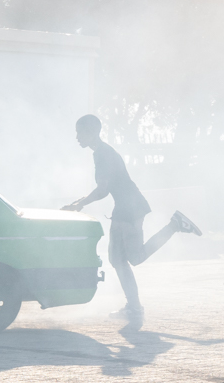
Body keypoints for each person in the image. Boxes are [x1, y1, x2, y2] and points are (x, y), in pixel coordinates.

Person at [63, 114, 202, 316]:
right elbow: (104, 188)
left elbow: (103, 190)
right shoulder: (101, 153)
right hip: (124, 207)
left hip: (131, 208)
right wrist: (78, 204)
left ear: (92, 132)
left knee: (134, 258)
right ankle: (134, 307)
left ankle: (175, 225)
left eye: (80, 132)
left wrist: (79, 204)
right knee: (117, 259)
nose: (77, 136)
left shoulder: (103, 154)